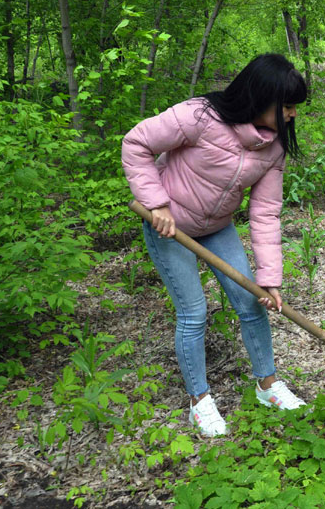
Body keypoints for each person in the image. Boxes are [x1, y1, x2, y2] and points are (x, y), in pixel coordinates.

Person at [122, 53, 308, 436]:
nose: (292, 114)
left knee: (251, 302)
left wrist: (270, 277)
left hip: (217, 227)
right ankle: (199, 401)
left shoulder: (272, 149)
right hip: (169, 227)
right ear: (262, 98)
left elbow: (266, 213)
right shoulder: (199, 117)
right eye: (287, 106)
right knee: (194, 313)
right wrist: (156, 203)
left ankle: (267, 386)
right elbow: (137, 142)